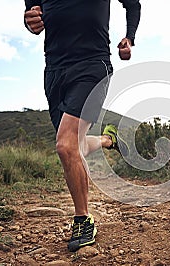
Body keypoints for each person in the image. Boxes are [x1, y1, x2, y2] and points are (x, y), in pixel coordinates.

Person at [23, 0, 141, 252]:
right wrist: (29, 20)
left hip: (92, 65)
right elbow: (33, 15)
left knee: (65, 146)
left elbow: (133, 4)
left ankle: (83, 218)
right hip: (54, 70)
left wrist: (129, 38)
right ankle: (108, 140)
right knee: (73, 147)